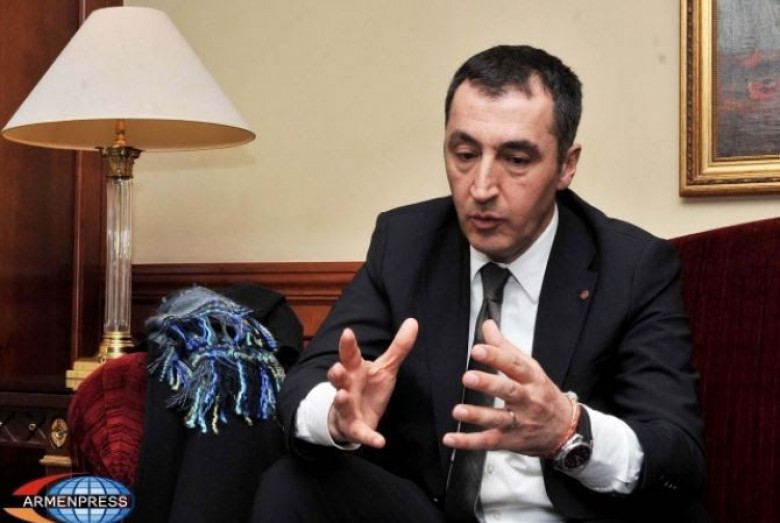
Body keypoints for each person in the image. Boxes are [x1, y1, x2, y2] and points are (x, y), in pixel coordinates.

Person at [253, 45, 707, 522]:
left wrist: (569, 432)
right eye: (465, 154)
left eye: (517, 159)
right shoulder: (405, 244)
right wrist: (336, 415)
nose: (482, 187)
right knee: (293, 484)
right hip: (433, 513)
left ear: (566, 165)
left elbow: (677, 454)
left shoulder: (631, 266)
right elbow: (311, 378)